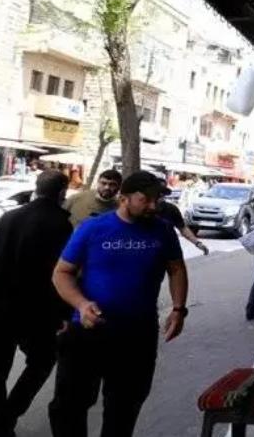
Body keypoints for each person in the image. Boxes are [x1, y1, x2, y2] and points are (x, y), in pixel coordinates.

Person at [49, 171, 189, 437]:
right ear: (124, 198)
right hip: (87, 333)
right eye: (145, 199)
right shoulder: (93, 228)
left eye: (157, 199)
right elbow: (61, 273)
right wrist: (81, 304)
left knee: (124, 408)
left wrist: (179, 309)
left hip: (137, 336)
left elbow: (176, 268)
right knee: (69, 406)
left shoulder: (163, 231)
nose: (153, 206)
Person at [0, 170, 73, 437]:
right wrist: (63, 313)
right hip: (34, 312)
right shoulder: (60, 225)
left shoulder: (7, 218)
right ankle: (4, 419)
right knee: (42, 361)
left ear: (36, 189)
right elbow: (60, 273)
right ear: (62, 192)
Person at [155, 179, 209, 256]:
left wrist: (197, 243)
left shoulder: (171, 209)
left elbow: (183, 228)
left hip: (169, 251)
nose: (161, 196)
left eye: (163, 193)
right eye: (158, 193)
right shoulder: (141, 210)